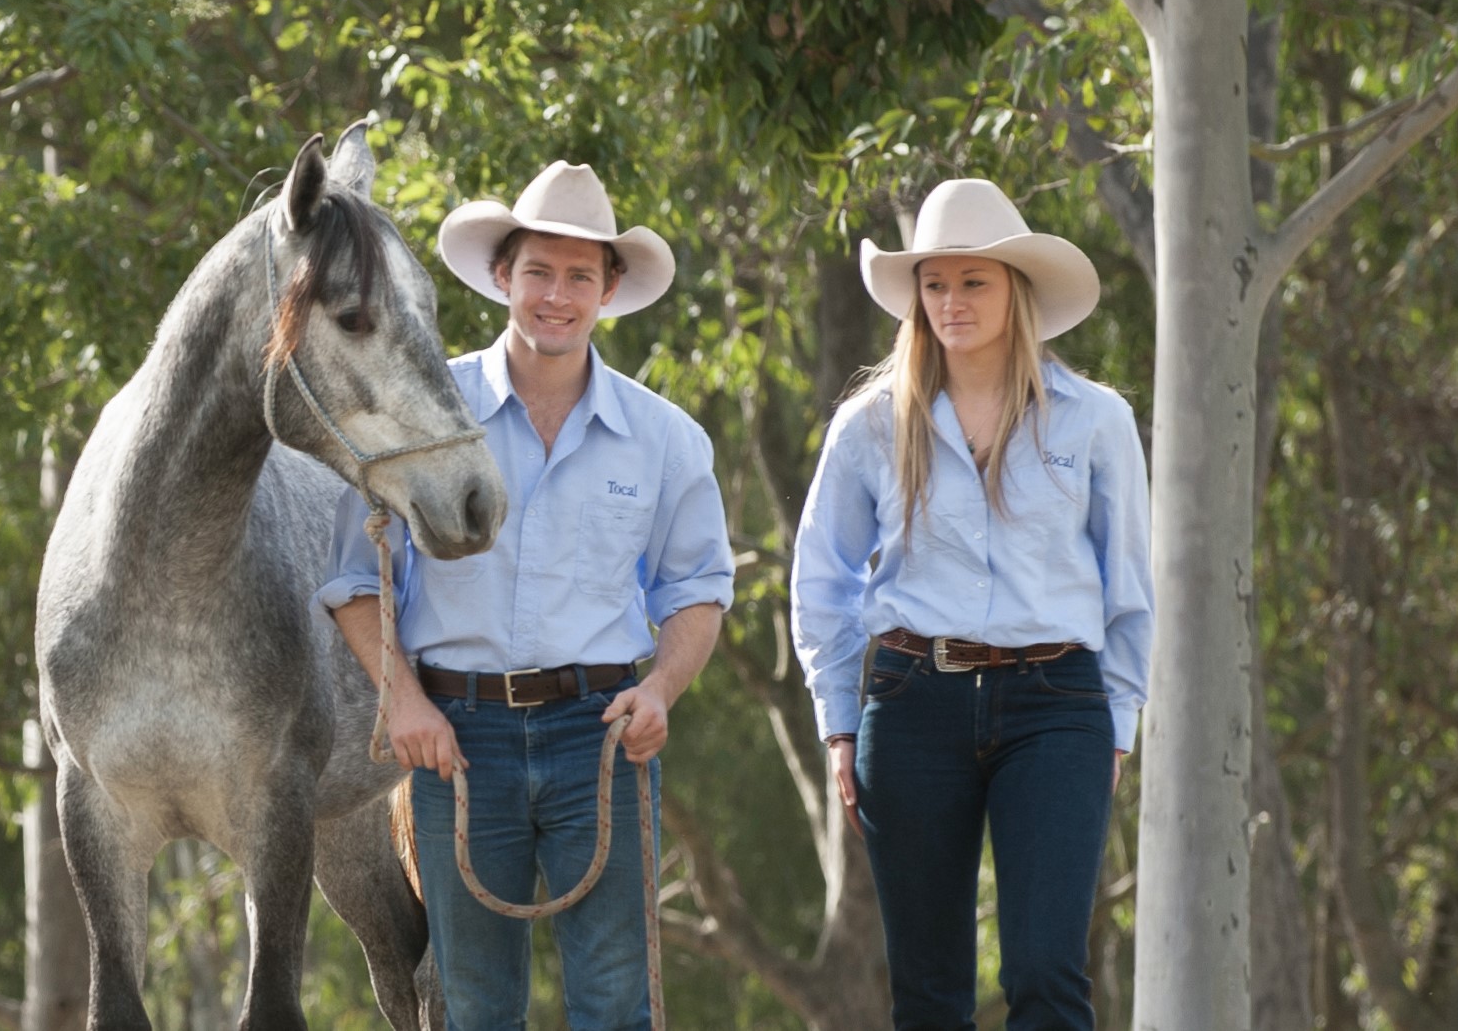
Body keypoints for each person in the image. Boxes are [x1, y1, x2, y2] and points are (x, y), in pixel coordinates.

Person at [315, 160, 734, 1030]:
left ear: (609, 289)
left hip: (602, 736)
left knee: (617, 1001)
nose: (557, 294)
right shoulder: (428, 415)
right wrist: (402, 703)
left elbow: (697, 591)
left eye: (580, 275)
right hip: (456, 741)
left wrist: (660, 691)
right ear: (502, 276)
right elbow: (356, 580)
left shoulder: (664, 440)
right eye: (538, 270)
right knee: (473, 1008)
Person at [790, 178, 1153, 1030]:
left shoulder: (1096, 422)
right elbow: (822, 577)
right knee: (928, 988)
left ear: (1016, 290)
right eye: (935, 283)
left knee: (1046, 971)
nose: (951, 301)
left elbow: (1129, 585)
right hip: (913, 703)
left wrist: (1120, 723)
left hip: (1058, 706)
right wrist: (841, 720)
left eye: (974, 281)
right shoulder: (871, 424)